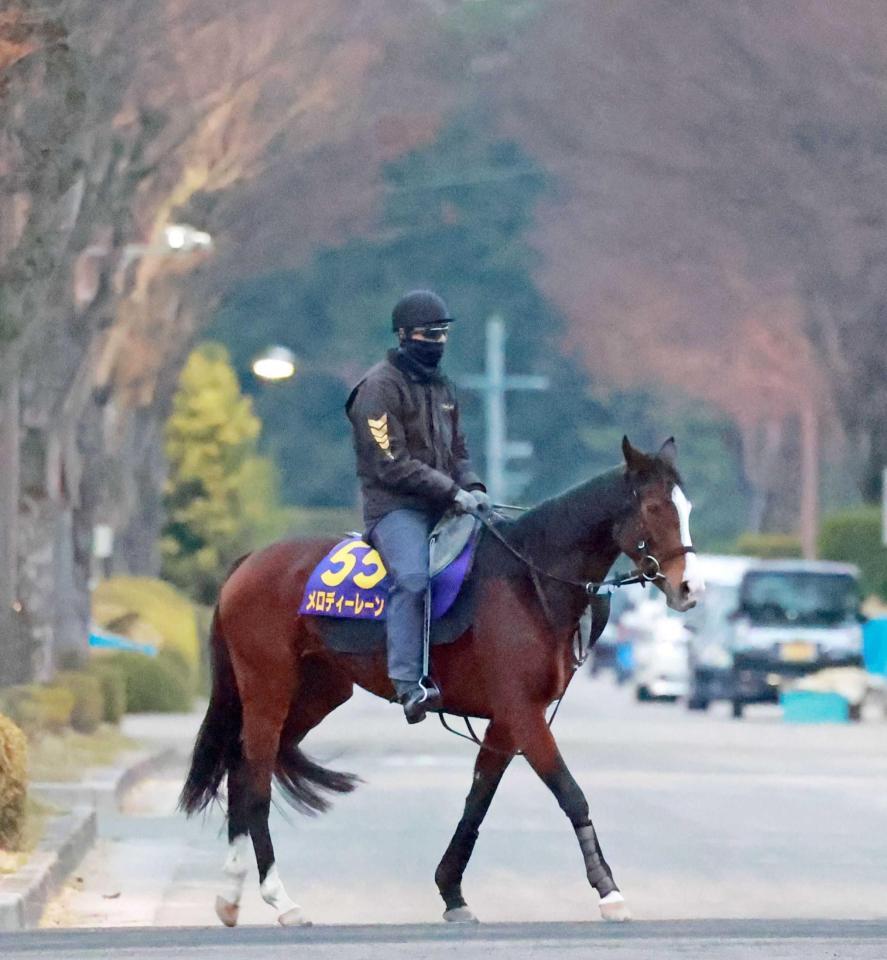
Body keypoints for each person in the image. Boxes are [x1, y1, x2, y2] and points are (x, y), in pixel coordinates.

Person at [345, 290, 491, 723]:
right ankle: (408, 684)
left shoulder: (443, 388)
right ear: (405, 336)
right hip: (396, 509)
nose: (439, 342)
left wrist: (474, 487)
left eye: (444, 333)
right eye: (431, 334)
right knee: (412, 579)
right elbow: (391, 465)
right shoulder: (376, 390)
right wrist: (452, 492)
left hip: (448, 503)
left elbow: (459, 452)